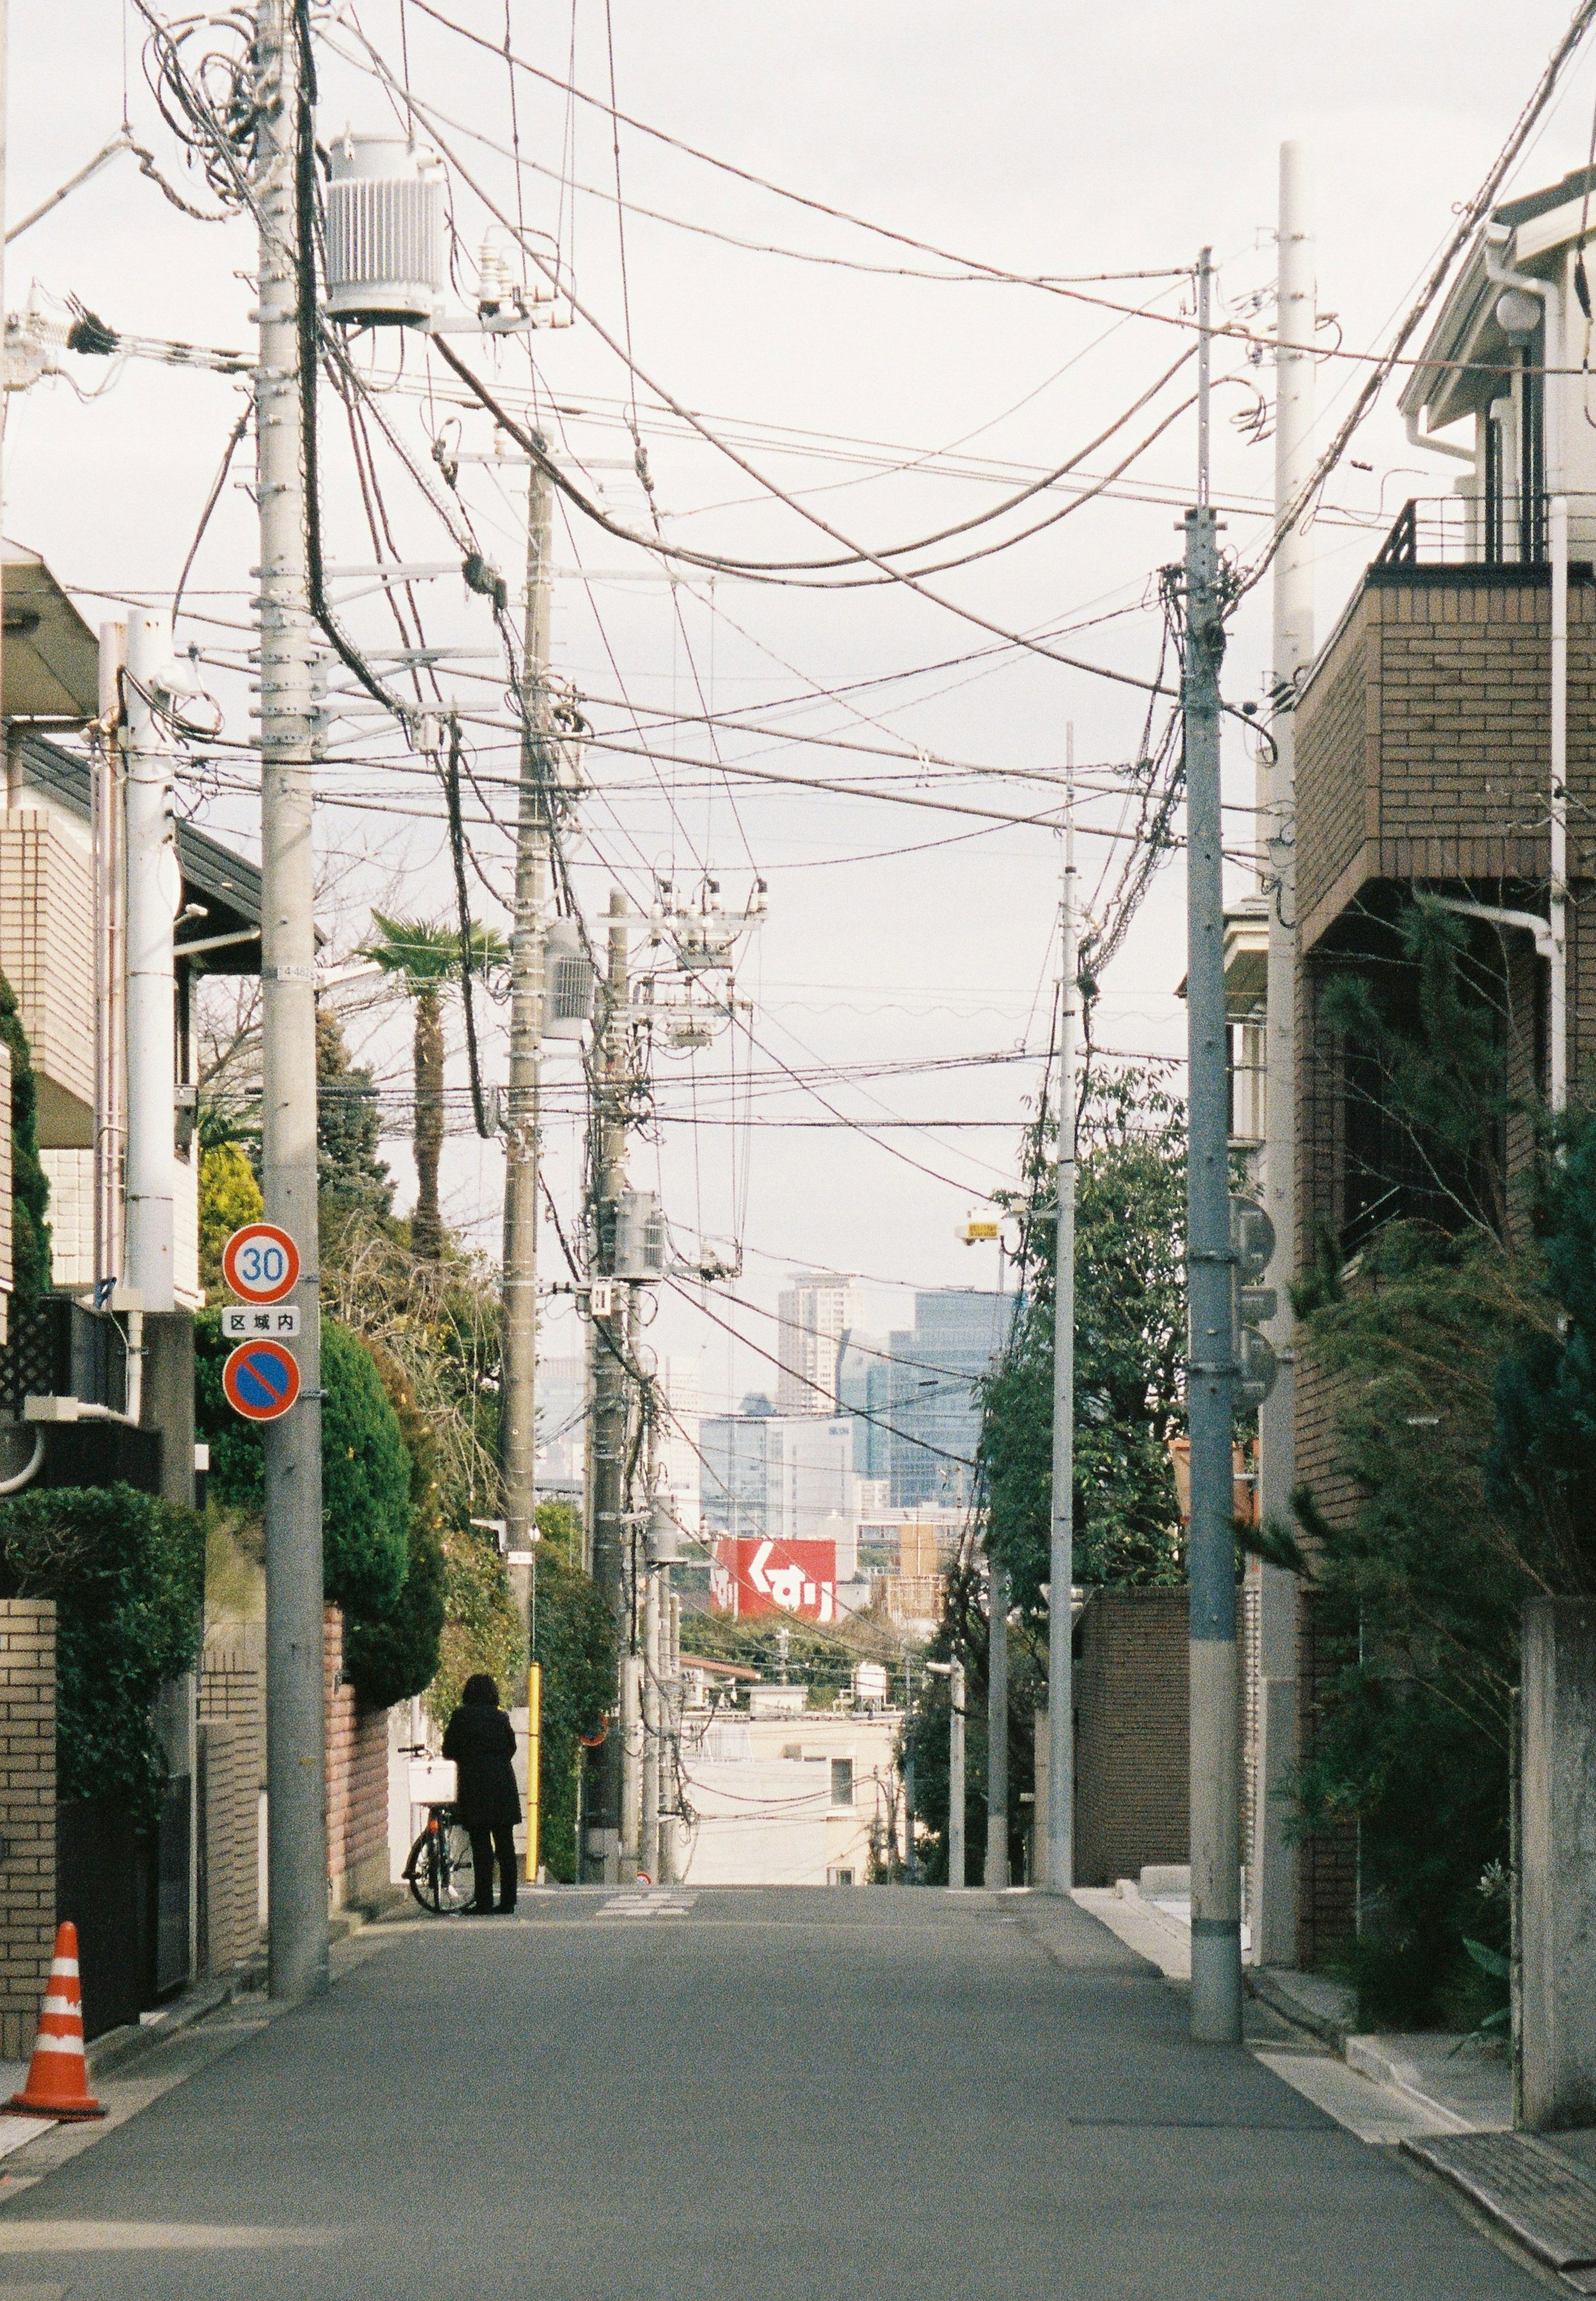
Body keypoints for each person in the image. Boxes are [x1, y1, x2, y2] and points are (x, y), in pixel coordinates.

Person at [441, 1673, 521, 1914]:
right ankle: (508, 1901)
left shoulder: (461, 1717)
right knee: (506, 1847)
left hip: (475, 1786)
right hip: (502, 1785)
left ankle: (484, 1900)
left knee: (481, 1846)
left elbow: (449, 1750)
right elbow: (511, 1748)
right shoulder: (501, 1718)